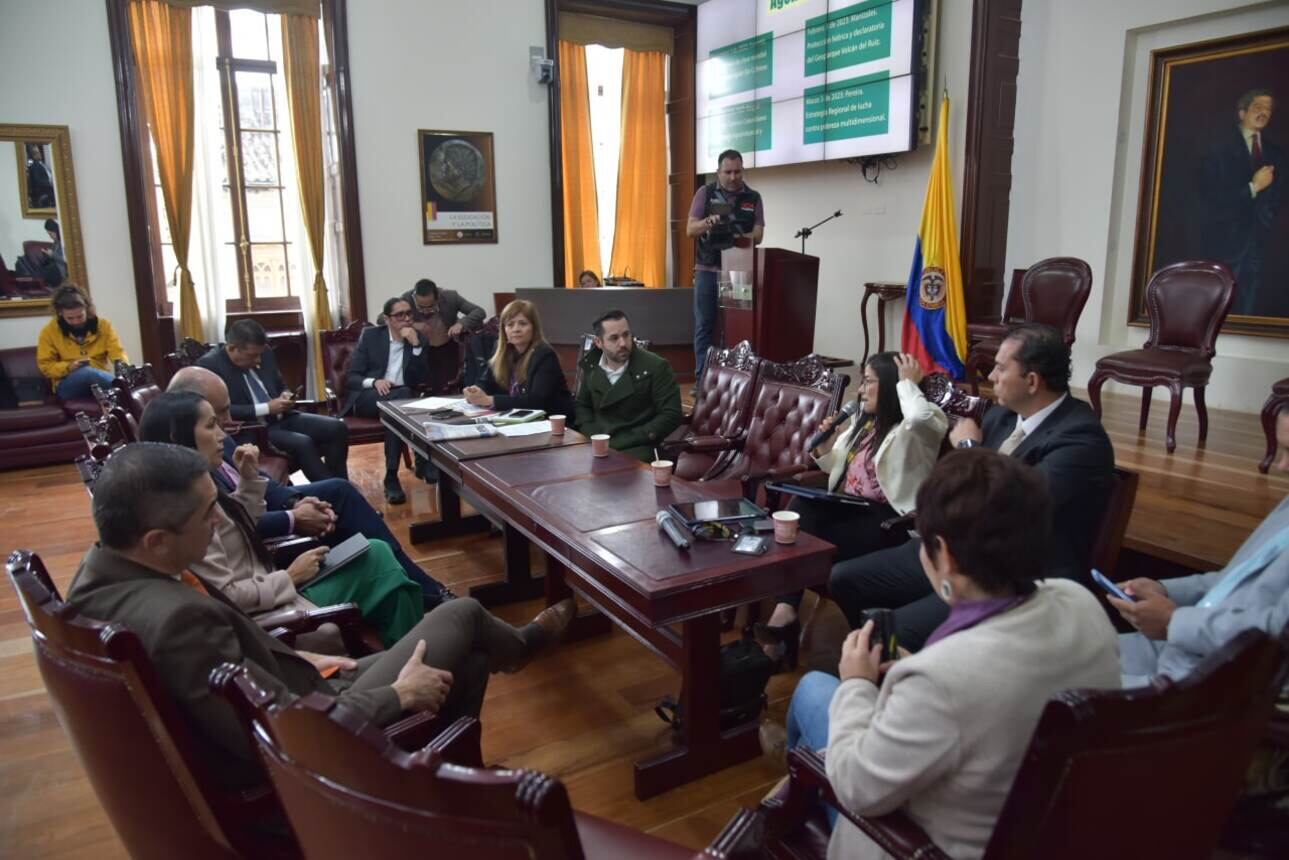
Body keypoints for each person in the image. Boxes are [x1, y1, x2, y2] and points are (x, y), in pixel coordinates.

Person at [66, 442, 575, 790]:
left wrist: (292, 652)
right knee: (464, 620)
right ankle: (512, 667)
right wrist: (397, 694)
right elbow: (283, 737)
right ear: (155, 541)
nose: (222, 521)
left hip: (304, 688)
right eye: (208, 516)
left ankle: (450, 778)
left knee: (468, 646)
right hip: (320, 735)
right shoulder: (177, 621)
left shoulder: (98, 580)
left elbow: (237, 678)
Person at [778, 449, 1120, 860]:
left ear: (945, 554)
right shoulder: (1082, 604)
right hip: (1042, 833)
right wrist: (909, 670)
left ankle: (785, 821)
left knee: (814, 689)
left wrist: (856, 684)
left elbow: (856, 787)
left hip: (917, 843)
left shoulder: (939, 679)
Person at [829, 324, 1115, 651]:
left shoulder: (1079, 438)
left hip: (1012, 578)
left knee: (897, 631)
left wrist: (967, 447)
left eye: (1001, 368)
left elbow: (1012, 505)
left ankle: (905, 673)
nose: (991, 376)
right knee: (845, 579)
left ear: (1032, 381)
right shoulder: (1002, 418)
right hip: (961, 553)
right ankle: (891, 664)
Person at [139, 391, 426, 648]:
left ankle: (411, 652)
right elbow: (224, 597)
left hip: (269, 587)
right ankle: (418, 653)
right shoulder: (187, 510)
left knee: (382, 564)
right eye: (211, 425)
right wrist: (290, 576)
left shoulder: (189, 482)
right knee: (381, 563)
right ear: (178, 438)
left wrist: (249, 478)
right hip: (272, 610)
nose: (222, 435)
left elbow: (236, 526)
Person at [167, 366, 454, 608]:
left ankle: (420, 588)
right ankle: (426, 593)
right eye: (218, 416)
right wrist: (294, 519)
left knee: (340, 492)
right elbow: (237, 525)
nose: (228, 423)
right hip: (266, 567)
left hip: (267, 518)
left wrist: (296, 503)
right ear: (187, 416)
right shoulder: (186, 488)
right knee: (368, 541)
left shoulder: (217, 437)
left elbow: (258, 489)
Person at [754, 353, 948, 667]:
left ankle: (786, 619)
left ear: (889, 385)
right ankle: (787, 613)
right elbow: (837, 469)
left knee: (802, 525)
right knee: (800, 507)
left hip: (889, 521)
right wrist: (824, 444)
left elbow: (919, 419)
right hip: (849, 509)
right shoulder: (866, 422)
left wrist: (908, 383)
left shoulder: (918, 428)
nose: (860, 390)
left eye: (868, 381)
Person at [1113, 407, 1289, 687]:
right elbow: (1231, 580)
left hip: (1215, 684)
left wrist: (1173, 621)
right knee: (1047, 656)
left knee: (1039, 691)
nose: (1282, 466)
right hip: (1178, 646)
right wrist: (1164, 589)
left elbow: (1277, 633)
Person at [198, 318, 349, 482]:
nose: (258, 361)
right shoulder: (210, 365)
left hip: (282, 417)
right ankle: (333, 490)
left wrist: (285, 394)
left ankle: (340, 481)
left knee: (337, 428)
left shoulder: (265, 352)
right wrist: (266, 408)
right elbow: (217, 410)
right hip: (253, 429)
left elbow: (280, 384)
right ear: (233, 348)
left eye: (260, 355)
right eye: (253, 356)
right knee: (303, 443)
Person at [1197, 89, 1282, 317]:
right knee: (1220, 309)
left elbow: (1280, 197)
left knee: (1252, 307)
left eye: (1268, 109)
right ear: (1242, 112)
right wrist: (1253, 188)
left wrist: (1269, 222)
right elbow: (1211, 198)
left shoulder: (1277, 153)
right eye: (1258, 107)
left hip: (1264, 245)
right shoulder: (1218, 149)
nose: (1264, 113)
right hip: (1225, 243)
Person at [343, 296, 433, 505]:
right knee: (402, 401)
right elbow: (353, 377)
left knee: (398, 407)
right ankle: (421, 458)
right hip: (368, 398)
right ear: (387, 319)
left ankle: (391, 476)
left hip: (400, 400)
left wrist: (417, 346)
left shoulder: (419, 339)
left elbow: (420, 379)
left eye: (409, 313)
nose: (407, 319)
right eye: (400, 315)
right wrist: (374, 382)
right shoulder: (371, 336)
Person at [686, 149, 764, 380]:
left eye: (737, 172)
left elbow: (759, 234)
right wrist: (710, 222)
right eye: (727, 172)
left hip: (737, 273)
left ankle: (732, 381)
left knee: (733, 328)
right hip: (707, 270)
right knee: (705, 326)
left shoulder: (753, 197)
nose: (733, 177)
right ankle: (702, 380)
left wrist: (737, 233)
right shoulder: (705, 192)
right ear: (718, 172)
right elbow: (690, 230)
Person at [574, 309, 683, 463]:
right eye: (614, 338)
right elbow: (582, 405)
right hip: (597, 442)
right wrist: (593, 434)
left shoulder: (655, 366)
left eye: (626, 335)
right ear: (599, 342)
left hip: (639, 446)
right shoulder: (592, 365)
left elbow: (671, 413)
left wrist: (639, 436)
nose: (623, 343)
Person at [463, 299, 575, 419]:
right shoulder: (502, 351)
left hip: (551, 423)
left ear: (534, 328)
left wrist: (489, 400)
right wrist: (475, 392)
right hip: (516, 420)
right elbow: (486, 382)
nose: (516, 329)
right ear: (504, 330)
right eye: (510, 324)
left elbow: (536, 401)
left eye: (523, 323)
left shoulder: (544, 355)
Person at [36, 284, 127, 400]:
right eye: (70, 318)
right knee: (86, 373)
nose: (76, 321)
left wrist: (124, 370)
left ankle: (125, 390)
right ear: (60, 313)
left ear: (87, 310)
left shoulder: (104, 326)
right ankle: (127, 389)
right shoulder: (49, 331)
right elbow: (46, 366)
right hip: (67, 384)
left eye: (80, 316)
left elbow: (118, 353)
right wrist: (69, 367)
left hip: (98, 378)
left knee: (93, 374)